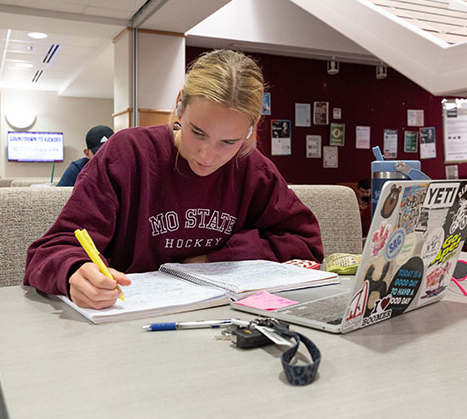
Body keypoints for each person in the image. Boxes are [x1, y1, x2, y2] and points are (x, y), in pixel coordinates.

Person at [24, 49, 324, 309]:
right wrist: (75, 271)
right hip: (129, 323)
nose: (207, 156)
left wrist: (219, 258)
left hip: (227, 323)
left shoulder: (251, 168)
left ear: (250, 129)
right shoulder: (128, 155)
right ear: (180, 105)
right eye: (198, 132)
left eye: (228, 142)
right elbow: (51, 249)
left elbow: (306, 244)